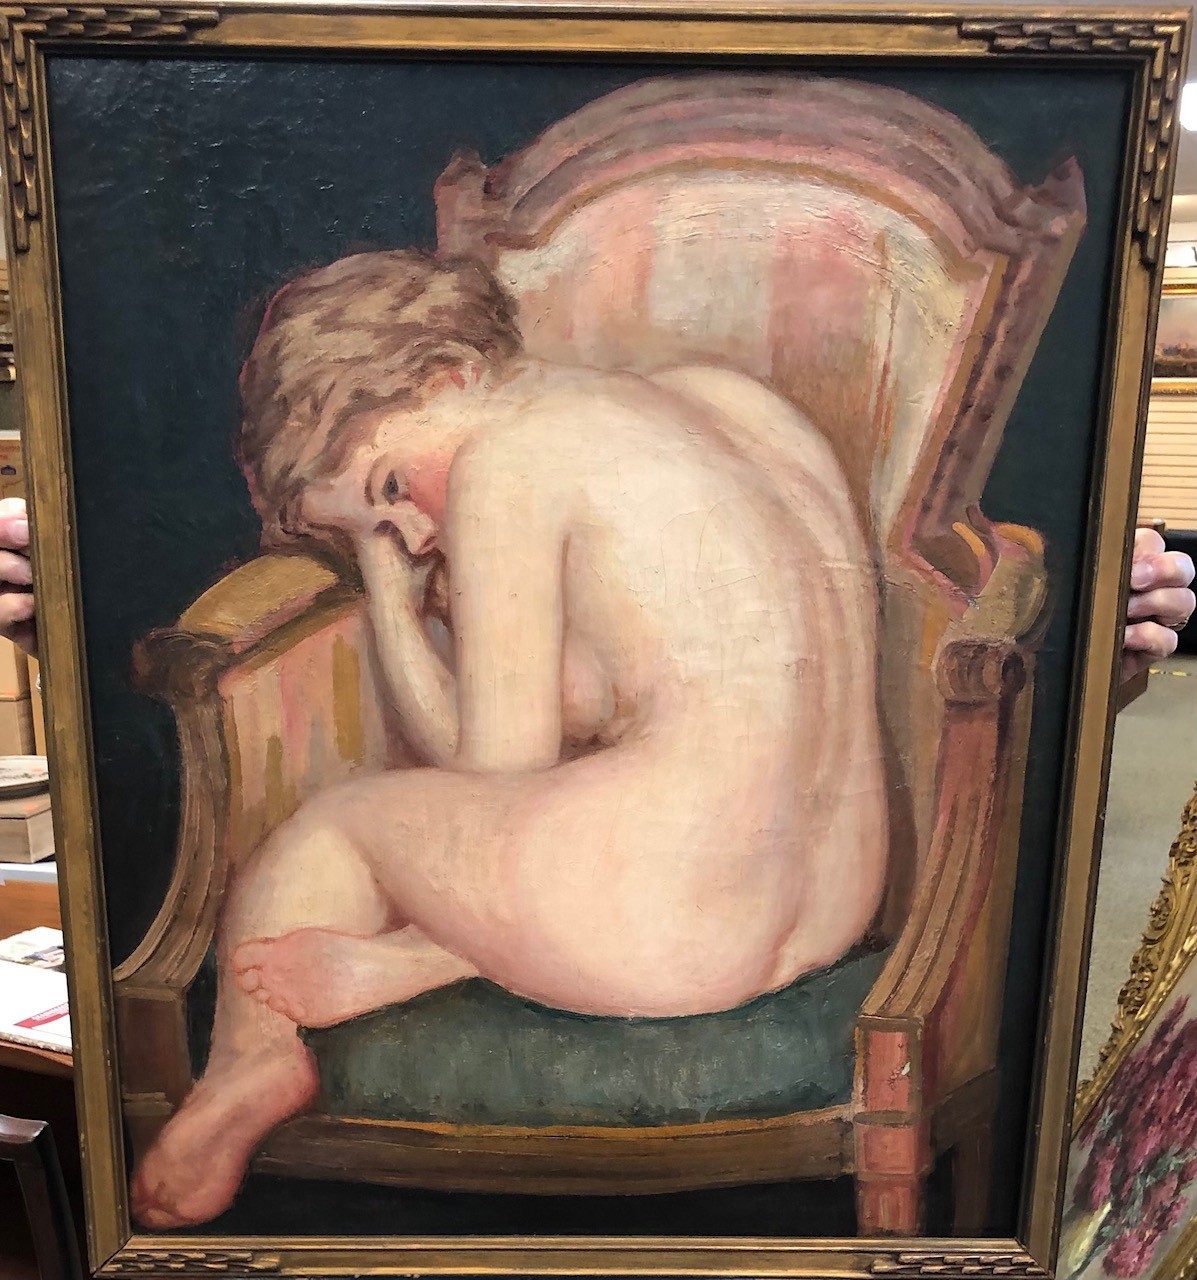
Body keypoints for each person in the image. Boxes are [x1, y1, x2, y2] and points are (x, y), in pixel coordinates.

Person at [0, 252, 1191, 1228]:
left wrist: (389, 604)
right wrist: (406, 560)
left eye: (391, 490)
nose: (411, 534)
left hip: (664, 914)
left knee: (339, 824)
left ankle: (256, 1056)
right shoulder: (722, 410)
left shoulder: (510, 461)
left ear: (454, 372)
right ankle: (427, 959)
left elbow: (492, 780)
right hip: (829, 898)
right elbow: (643, 695)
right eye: (378, 533)